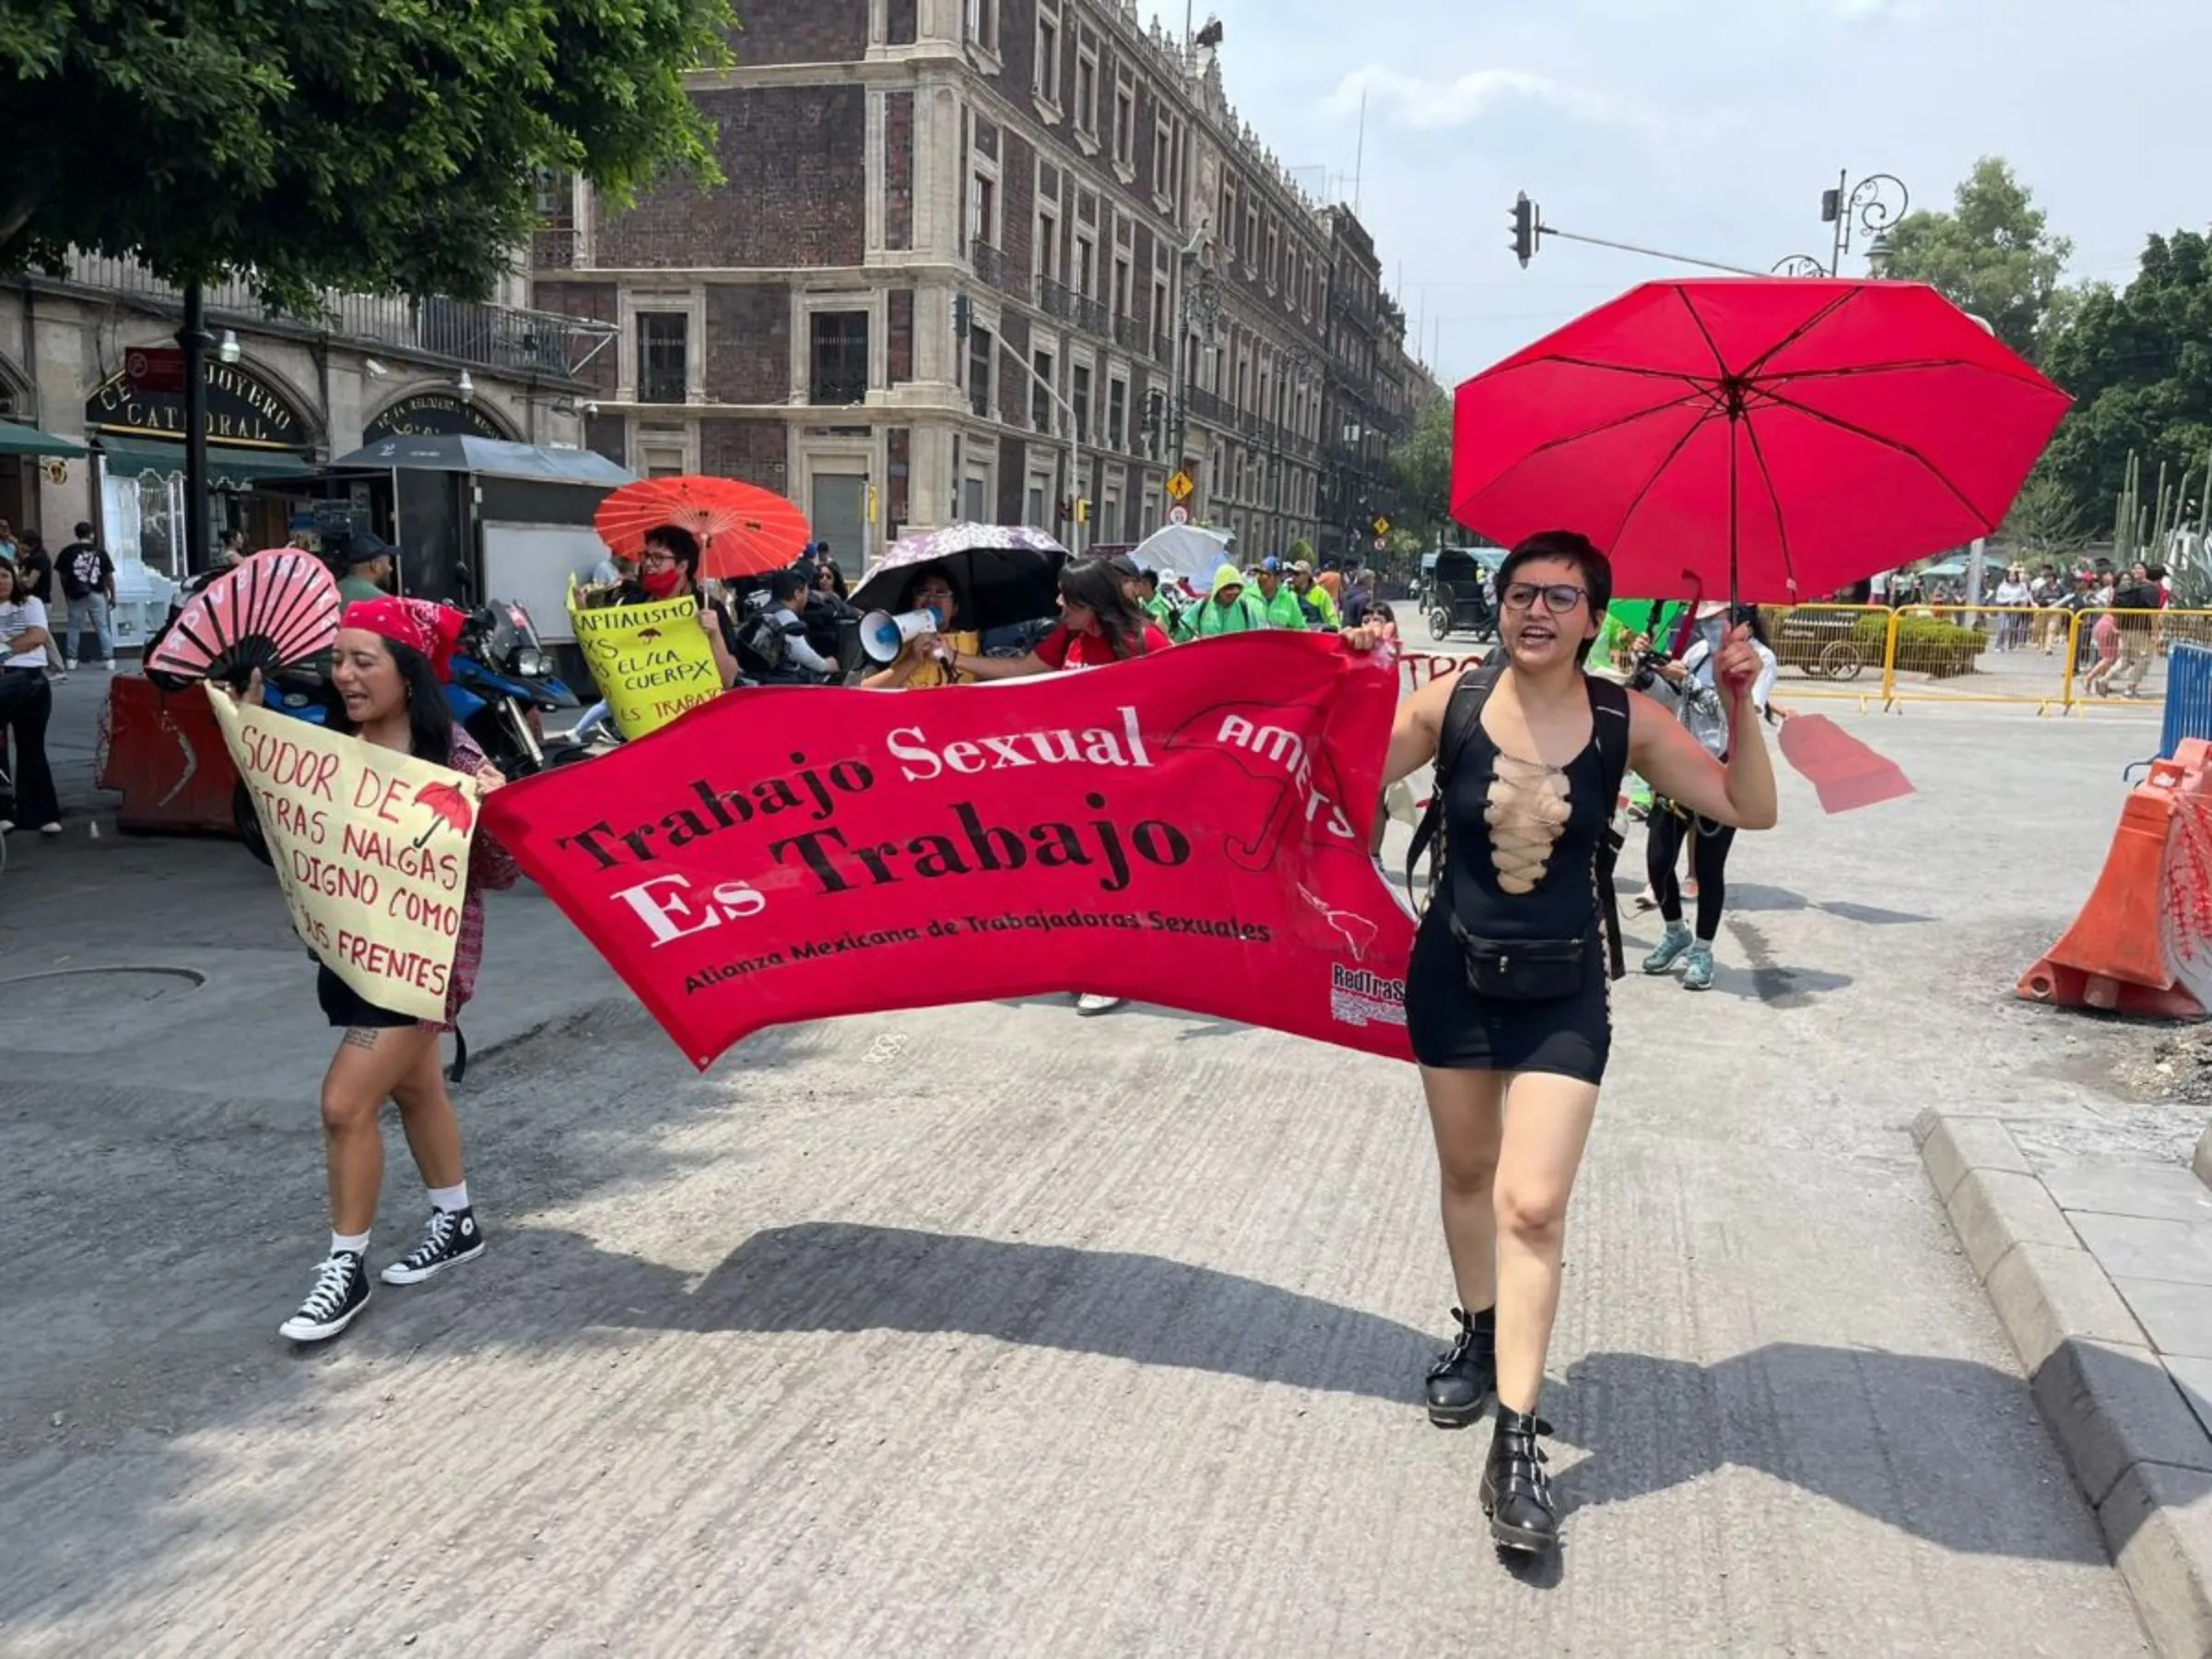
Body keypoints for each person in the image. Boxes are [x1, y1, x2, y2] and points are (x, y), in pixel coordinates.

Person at [1353, 529, 1776, 1558]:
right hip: (1449, 975)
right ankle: (1482, 1329)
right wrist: (1355, 683)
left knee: (1531, 1205)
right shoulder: (1447, 702)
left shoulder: (1625, 720)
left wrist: (1739, 701)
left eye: (1562, 596)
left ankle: (1516, 1440)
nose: (1535, 610)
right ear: (1499, 605)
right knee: (1467, 1173)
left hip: (1564, 993)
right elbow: (1339, 776)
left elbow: (1746, 807)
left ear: (1596, 616)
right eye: (1520, 592)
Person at [252, 596, 520, 1343]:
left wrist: (495, 813)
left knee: (344, 1103)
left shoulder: (456, 759)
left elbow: (502, 871)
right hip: (349, 952)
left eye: (361, 661)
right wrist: (246, 729)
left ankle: (345, 1267)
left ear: (408, 673)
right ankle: (456, 1221)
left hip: (421, 964)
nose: (342, 676)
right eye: (336, 660)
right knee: (415, 1087)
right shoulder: (327, 749)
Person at [947, 555, 1173, 1018]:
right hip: (1071, 783)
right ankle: (1086, 962)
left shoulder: (1144, 640)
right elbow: (1021, 672)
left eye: (1067, 599)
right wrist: (953, 658)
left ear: (1093, 604)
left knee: (1113, 877)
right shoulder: (1068, 636)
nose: (1057, 605)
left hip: (1126, 785)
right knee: (1074, 876)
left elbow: (1185, 690)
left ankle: (1110, 973)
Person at [1640, 601, 1781, 991]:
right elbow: (1675, 704)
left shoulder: (1760, 661)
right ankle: (1674, 931)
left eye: (1716, 622)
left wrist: (1686, 681)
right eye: (1703, 622)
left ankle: (1702, 949)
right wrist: (1649, 672)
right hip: (1680, 767)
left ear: (1744, 625)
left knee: (1708, 868)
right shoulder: (1698, 653)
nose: (1707, 630)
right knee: (1657, 861)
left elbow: (1738, 714)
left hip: (1722, 771)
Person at [614, 524, 740, 690]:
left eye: (658, 557)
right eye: (646, 556)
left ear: (682, 566)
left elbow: (728, 680)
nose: (648, 564)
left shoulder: (709, 608)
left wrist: (715, 634)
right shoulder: (634, 603)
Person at [0, 557, 62, 834]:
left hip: (29, 680)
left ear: (13, 578)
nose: (0, 582)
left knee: (32, 748)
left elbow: (36, 636)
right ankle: (4, 811)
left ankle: (40, 813)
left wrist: (4, 649)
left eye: (4, 576)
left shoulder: (30, 604)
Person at [863, 563, 982, 689]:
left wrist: (955, 657)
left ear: (955, 608)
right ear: (912, 603)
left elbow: (1004, 675)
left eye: (941, 593)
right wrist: (911, 660)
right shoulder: (889, 644)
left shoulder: (971, 642)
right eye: (922, 592)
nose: (931, 599)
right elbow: (864, 694)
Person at [742, 566, 839, 683]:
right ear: (797, 594)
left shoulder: (765, 611)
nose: (806, 599)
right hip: (780, 684)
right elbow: (803, 654)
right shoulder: (785, 616)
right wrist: (826, 665)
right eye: (806, 594)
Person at [55, 522, 116, 672]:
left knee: (74, 627)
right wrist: (113, 595)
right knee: (102, 627)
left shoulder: (67, 552)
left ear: (76, 534)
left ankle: (71, 659)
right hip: (97, 593)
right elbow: (108, 576)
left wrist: (67, 593)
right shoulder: (100, 552)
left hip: (76, 595)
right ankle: (109, 659)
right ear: (91, 534)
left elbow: (63, 577)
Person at [13, 529, 61, 677]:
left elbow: (30, 583)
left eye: (23, 543)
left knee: (44, 635)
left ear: (31, 544)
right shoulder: (34, 558)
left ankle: (58, 667)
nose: (20, 546)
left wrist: (17, 578)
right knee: (42, 634)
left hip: (40, 601)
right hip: (35, 601)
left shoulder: (39, 559)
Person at [1178, 564, 1269, 640]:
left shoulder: (1244, 608)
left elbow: (1260, 637)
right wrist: (1176, 627)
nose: (1233, 596)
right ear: (1219, 589)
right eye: (1229, 592)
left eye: (1236, 593)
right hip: (1208, 660)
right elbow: (1181, 637)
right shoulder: (1203, 605)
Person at [335, 534, 396, 604]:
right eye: (388, 563)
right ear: (375, 565)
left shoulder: (331, 591)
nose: (390, 568)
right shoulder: (383, 601)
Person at [1253, 559, 1308, 629]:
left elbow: (1302, 629)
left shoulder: (1288, 600)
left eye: (1265, 575)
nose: (1259, 578)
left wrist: (1288, 632)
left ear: (1277, 578)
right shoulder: (1246, 597)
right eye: (1258, 573)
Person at [1288, 560, 1340, 630]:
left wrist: (1335, 629)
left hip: (1316, 637)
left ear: (1307, 575)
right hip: (1295, 637)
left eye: (1296, 574)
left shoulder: (1321, 594)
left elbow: (1332, 617)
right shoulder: (1290, 593)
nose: (1293, 577)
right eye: (1292, 573)